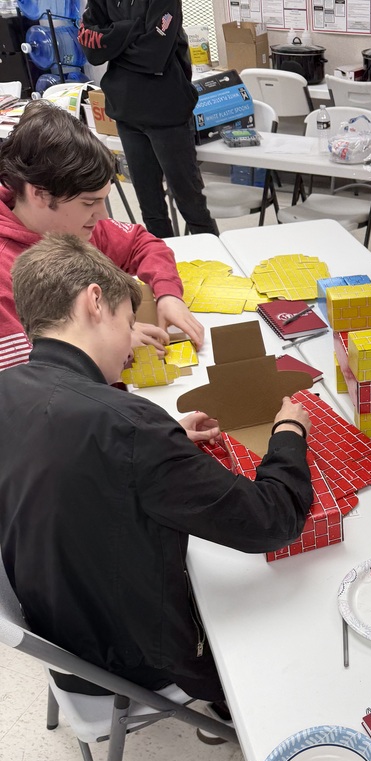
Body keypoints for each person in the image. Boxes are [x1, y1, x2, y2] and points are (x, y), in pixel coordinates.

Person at [0, 234, 313, 723]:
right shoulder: (127, 425)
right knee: (296, 600)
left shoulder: (9, 387)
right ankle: (234, 712)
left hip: (61, 625)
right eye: (129, 322)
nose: (131, 343)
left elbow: (64, 465)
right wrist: (290, 433)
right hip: (126, 658)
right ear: (94, 301)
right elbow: (273, 521)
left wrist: (163, 446)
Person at [0, 100, 205, 379]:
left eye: (103, 199)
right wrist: (110, 345)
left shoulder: (74, 226)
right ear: (39, 194)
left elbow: (141, 243)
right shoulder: (5, 271)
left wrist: (169, 294)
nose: (102, 214)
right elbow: (26, 376)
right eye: (89, 203)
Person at [79, 0, 218, 239]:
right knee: (150, 206)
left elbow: (154, 54)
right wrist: (132, 29)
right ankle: (163, 265)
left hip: (167, 112)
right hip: (127, 112)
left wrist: (114, 38)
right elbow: (93, 51)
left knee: (190, 202)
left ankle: (217, 264)